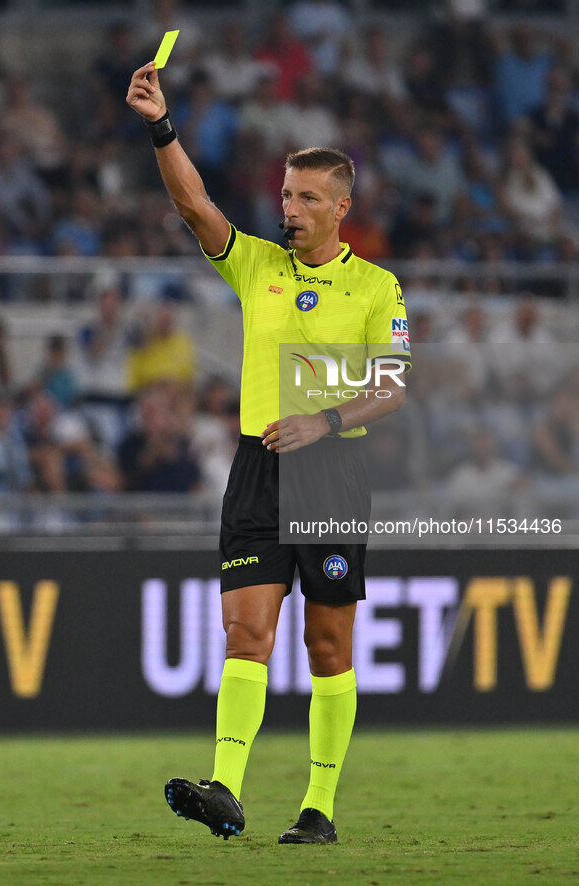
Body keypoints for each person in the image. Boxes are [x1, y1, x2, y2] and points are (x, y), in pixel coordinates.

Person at [126, 60, 410, 845]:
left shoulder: (378, 290)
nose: (289, 208)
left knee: (328, 647)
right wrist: (161, 124)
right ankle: (224, 787)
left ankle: (317, 809)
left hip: (329, 473)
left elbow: (392, 387)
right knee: (245, 633)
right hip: (257, 470)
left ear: (340, 209)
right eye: (285, 194)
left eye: (306, 197)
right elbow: (192, 202)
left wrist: (324, 418)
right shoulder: (256, 265)